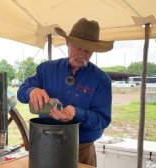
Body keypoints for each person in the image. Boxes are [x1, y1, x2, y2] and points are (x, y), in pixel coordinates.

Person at [17, 18, 114, 167]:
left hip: (82, 149)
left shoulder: (101, 80)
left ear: (93, 51)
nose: (82, 55)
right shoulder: (46, 69)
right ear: (68, 43)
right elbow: (21, 92)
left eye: (87, 50)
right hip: (44, 145)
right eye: (78, 48)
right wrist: (32, 91)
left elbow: (102, 120)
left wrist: (76, 113)